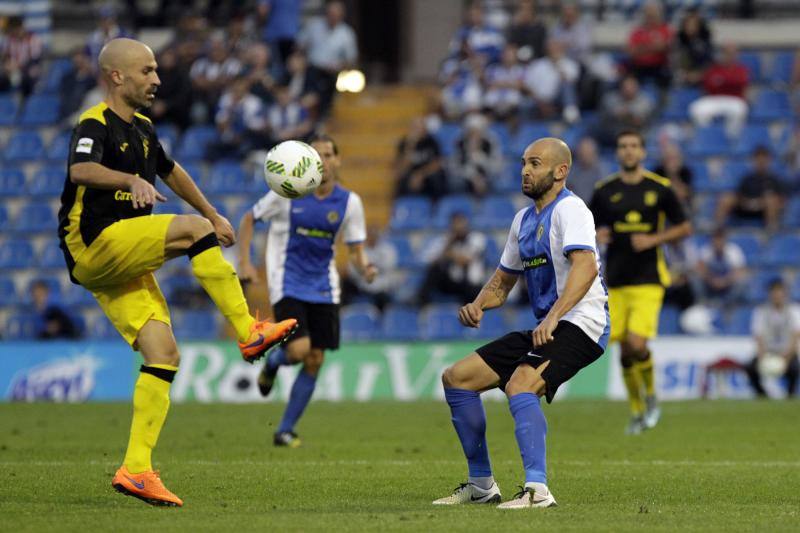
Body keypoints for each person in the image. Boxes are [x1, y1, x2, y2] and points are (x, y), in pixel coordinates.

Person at [58, 38, 297, 507]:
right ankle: (248, 329)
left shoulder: (144, 129)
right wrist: (129, 179)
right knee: (192, 231)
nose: (157, 80)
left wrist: (214, 211)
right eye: (147, 71)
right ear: (117, 76)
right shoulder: (94, 122)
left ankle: (136, 469)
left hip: (118, 261)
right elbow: (82, 169)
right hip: (94, 244)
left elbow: (171, 170)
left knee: (163, 353)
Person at [433, 138, 609, 509]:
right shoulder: (523, 220)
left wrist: (555, 316)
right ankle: (482, 485)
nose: (526, 171)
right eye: (524, 163)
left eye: (536, 163)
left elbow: (587, 267)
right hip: (549, 324)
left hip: (583, 323)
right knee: (457, 379)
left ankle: (538, 491)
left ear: (560, 171)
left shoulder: (571, 210)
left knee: (521, 384)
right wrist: (479, 305)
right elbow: (503, 281)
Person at [237, 134, 377, 448]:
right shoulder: (289, 191)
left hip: (324, 287)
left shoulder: (349, 202)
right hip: (287, 282)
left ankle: (284, 430)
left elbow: (355, 249)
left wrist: (366, 268)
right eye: (318, 156)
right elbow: (249, 218)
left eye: (329, 155)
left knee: (315, 359)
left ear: (337, 160)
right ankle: (273, 363)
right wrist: (245, 263)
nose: (324, 161)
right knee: (299, 351)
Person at [589, 131, 692, 435]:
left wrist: (654, 239)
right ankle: (636, 411)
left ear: (643, 153)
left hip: (649, 279)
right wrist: (596, 236)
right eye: (623, 146)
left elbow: (685, 227)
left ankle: (651, 395)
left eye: (634, 146)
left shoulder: (660, 189)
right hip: (616, 281)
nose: (629, 151)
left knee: (636, 343)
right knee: (622, 351)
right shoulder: (604, 190)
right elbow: (587, 229)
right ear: (618, 152)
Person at [298, 0, 358, 117]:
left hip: (332, 75)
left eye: (335, 14)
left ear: (341, 15)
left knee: (326, 96)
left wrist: (340, 66)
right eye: (330, 13)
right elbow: (300, 46)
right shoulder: (314, 26)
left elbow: (351, 59)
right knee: (308, 97)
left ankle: (323, 118)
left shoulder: (346, 33)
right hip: (312, 71)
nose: (332, 17)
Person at [744, 279, 800, 398]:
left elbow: (795, 337)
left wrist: (787, 357)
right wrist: (762, 356)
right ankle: (762, 395)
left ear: (785, 294)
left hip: (786, 352)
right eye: (774, 292)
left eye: (779, 292)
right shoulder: (761, 311)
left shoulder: (794, 310)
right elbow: (758, 337)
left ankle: (790, 395)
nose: (777, 296)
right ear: (770, 294)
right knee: (750, 367)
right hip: (768, 352)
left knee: (795, 368)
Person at [417, 212, 487, 306]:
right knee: (434, 269)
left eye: (460, 223)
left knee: (474, 290)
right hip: (454, 282)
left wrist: (449, 254)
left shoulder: (477, 238)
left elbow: (464, 260)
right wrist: (448, 244)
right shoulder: (447, 240)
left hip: (472, 284)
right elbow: (431, 260)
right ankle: (420, 300)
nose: (458, 227)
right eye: (455, 224)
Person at [715, 146, 785, 232]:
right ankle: (718, 227)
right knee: (727, 197)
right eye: (758, 159)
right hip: (746, 208)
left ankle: (771, 231)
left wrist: (761, 203)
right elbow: (739, 196)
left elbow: (780, 201)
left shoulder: (774, 180)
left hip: (762, 211)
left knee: (770, 200)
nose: (761, 162)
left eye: (763, 159)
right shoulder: (747, 178)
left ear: (768, 160)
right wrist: (748, 203)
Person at [688, 43, 749, 136]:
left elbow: (740, 83)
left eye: (732, 53)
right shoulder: (714, 68)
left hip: (734, 99)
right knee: (696, 108)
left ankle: (731, 138)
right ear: (723, 54)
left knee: (740, 109)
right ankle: (708, 135)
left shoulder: (741, 69)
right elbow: (709, 84)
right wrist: (726, 81)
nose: (730, 56)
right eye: (727, 53)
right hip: (714, 99)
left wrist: (722, 80)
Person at [342, 225, 398, 311]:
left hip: (381, 287)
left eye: (373, 234)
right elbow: (352, 271)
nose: (371, 237)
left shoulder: (387, 249)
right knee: (344, 283)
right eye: (369, 234)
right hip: (363, 286)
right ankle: (343, 312)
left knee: (384, 299)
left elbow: (388, 266)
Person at [394, 117, 448, 200]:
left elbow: (438, 163)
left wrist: (421, 174)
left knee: (437, 178)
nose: (417, 130)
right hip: (411, 175)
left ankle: (437, 206)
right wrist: (410, 146)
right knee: (401, 181)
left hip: (427, 174)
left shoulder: (432, 142)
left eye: (420, 127)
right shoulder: (404, 143)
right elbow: (401, 169)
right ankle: (404, 207)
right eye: (415, 127)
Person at [693, 227, 747, 306]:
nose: (718, 242)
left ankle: (730, 305)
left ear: (725, 240)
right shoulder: (706, 250)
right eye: (715, 239)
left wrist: (724, 281)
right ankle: (704, 303)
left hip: (728, 285)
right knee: (695, 279)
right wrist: (711, 280)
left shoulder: (733, 251)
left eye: (720, 239)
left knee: (742, 281)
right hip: (710, 284)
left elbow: (740, 272)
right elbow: (700, 269)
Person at [625, 1, 673, 90]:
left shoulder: (665, 29)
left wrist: (642, 47)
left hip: (659, 66)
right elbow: (631, 51)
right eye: (648, 13)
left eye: (653, 13)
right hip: (639, 66)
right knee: (627, 78)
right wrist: (653, 47)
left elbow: (664, 47)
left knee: (667, 76)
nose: (650, 16)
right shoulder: (637, 31)